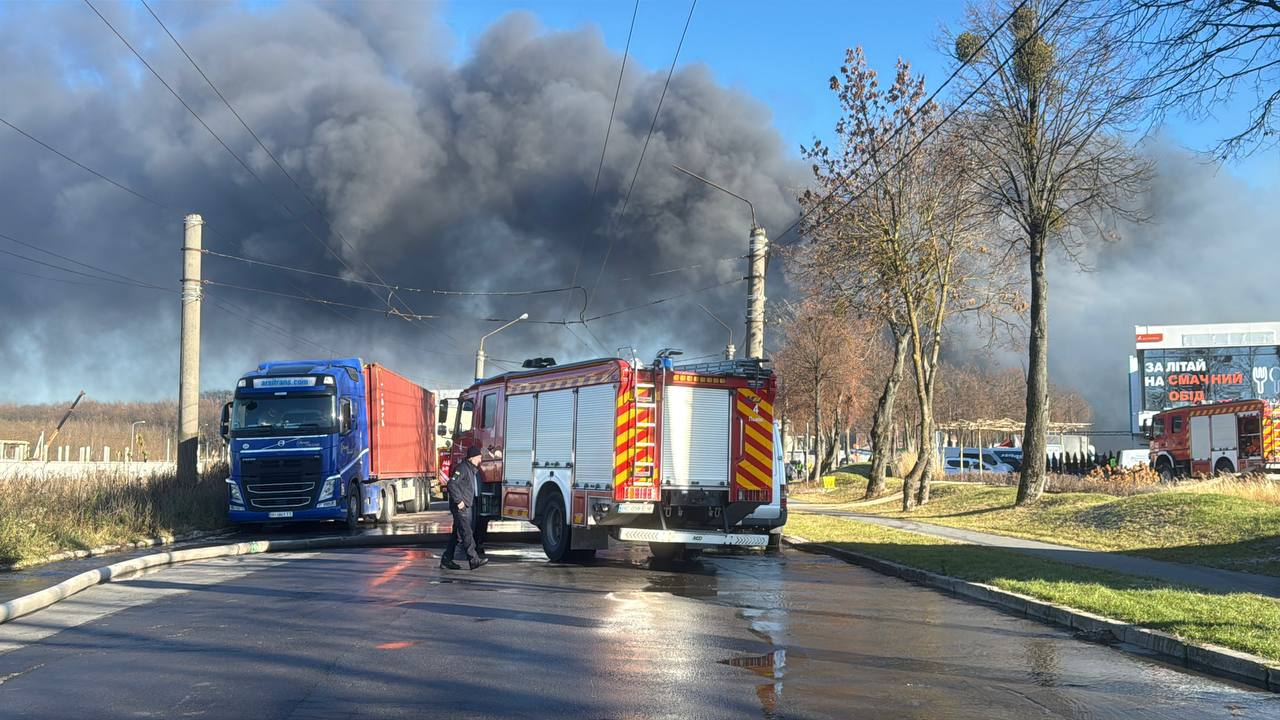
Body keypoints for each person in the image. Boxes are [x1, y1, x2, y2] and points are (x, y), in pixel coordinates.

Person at [440, 445, 487, 570]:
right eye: (479, 457)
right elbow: (451, 484)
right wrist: (459, 501)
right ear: (472, 458)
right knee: (467, 532)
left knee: (457, 534)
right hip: (460, 507)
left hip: (466, 505)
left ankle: (446, 559)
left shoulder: (471, 469)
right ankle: (473, 560)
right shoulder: (462, 468)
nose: (480, 460)